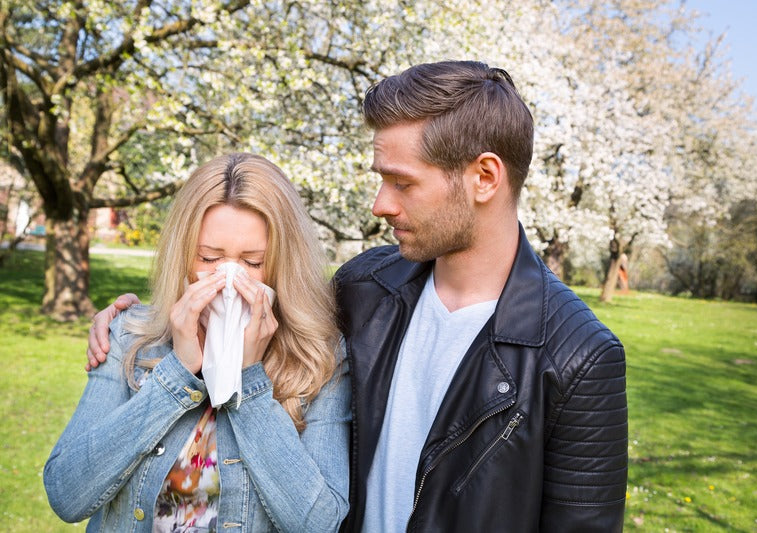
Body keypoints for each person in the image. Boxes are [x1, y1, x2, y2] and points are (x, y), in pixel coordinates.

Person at [87, 61, 627, 532]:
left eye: (403, 182)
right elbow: (273, 317)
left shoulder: (579, 358)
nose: (379, 204)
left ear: (485, 176)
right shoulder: (363, 289)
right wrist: (137, 321)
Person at [47, 153, 350, 532]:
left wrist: (250, 382)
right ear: (183, 254)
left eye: (253, 263)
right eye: (209, 258)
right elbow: (66, 493)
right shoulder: (129, 336)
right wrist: (175, 375)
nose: (228, 280)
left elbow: (322, 523)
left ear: (282, 263)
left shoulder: (320, 360)